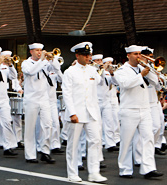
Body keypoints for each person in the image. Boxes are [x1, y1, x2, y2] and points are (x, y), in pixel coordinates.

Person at [114, 45, 163, 179]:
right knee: (126, 141)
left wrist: (152, 69)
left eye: (140, 54)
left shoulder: (144, 68)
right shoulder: (121, 70)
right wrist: (141, 75)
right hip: (129, 109)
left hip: (145, 108)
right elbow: (125, 84)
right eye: (135, 54)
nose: (139, 56)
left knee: (148, 139)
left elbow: (155, 83)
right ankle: (125, 169)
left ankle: (148, 168)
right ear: (128, 56)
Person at [62, 42, 107, 183]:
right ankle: (72, 173)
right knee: (73, 145)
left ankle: (94, 172)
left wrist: (101, 68)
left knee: (95, 141)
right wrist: (71, 112)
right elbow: (67, 94)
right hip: (76, 112)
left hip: (92, 112)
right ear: (77, 55)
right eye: (85, 55)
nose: (88, 57)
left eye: (89, 55)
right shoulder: (69, 72)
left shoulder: (92, 70)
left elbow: (100, 82)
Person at [21, 43, 57, 164]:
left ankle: (45, 151)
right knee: (30, 128)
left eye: (41, 50)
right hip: (31, 99)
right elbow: (31, 72)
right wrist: (42, 60)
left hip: (44, 98)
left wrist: (53, 59)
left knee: (48, 124)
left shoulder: (44, 62)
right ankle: (30, 154)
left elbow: (56, 69)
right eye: (37, 50)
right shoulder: (26, 63)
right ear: (31, 52)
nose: (39, 52)